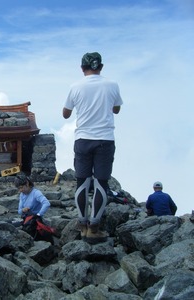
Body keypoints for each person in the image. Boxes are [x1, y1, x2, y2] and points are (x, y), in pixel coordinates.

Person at [62, 52, 123, 244]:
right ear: (101, 67)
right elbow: (116, 109)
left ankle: (82, 225)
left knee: (82, 182)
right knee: (101, 183)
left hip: (83, 140)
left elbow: (65, 114)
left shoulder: (75, 87)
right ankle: (94, 228)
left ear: (82, 68)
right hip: (105, 139)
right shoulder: (112, 85)